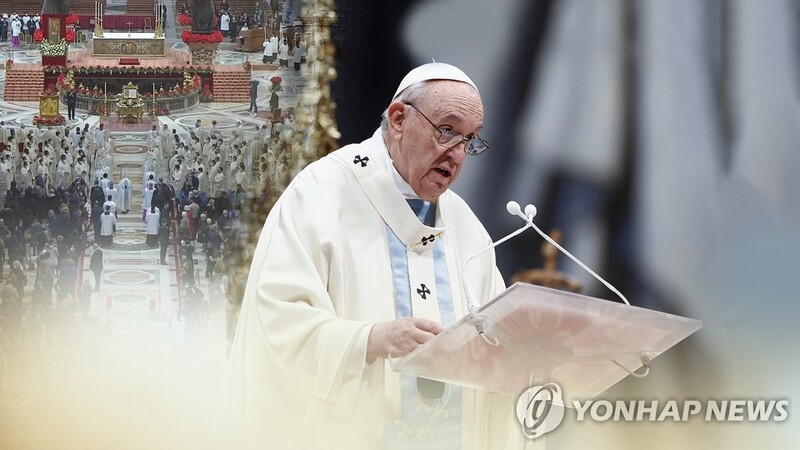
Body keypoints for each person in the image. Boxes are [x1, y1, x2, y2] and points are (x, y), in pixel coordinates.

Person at [224, 63, 526, 449]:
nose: (458, 154)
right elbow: (276, 324)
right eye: (447, 131)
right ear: (399, 119)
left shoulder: (464, 225)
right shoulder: (321, 194)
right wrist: (370, 339)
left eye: (470, 140)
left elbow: (494, 339)